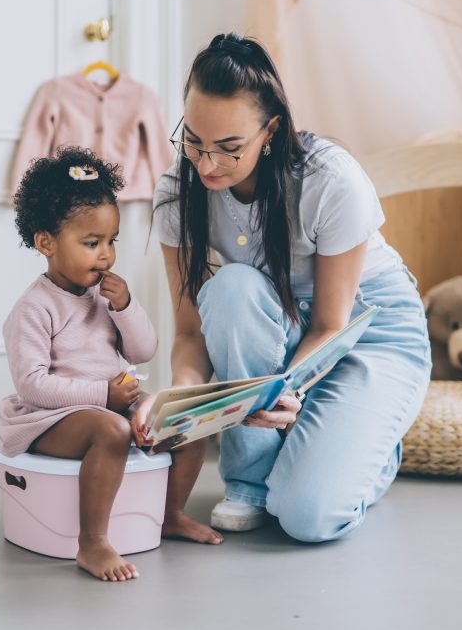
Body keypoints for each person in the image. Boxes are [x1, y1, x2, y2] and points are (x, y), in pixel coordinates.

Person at [138, 33, 432, 543]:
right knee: (232, 289)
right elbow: (190, 333)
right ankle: (249, 483)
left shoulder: (327, 179)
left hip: (363, 331)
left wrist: (289, 387)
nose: (207, 165)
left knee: (307, 517)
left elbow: (329, 324)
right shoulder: (177, 193)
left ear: (270, 130)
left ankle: (373, 446)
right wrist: (182, 395)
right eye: (193, 141)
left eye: (229, 148)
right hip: (280, 328)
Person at [0, 147, 221, 583]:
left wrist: (125, 307)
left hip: (110, 407)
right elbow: (32, 386)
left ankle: (170, 515)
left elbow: (144, 350)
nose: (105, 255)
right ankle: (93, 542)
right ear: (46, 242)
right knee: (112, 430)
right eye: (91, 243)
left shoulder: (103, 294)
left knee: (182, 419)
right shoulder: (33, 309)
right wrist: (103, 396)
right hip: (50, 418)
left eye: (111, 241)